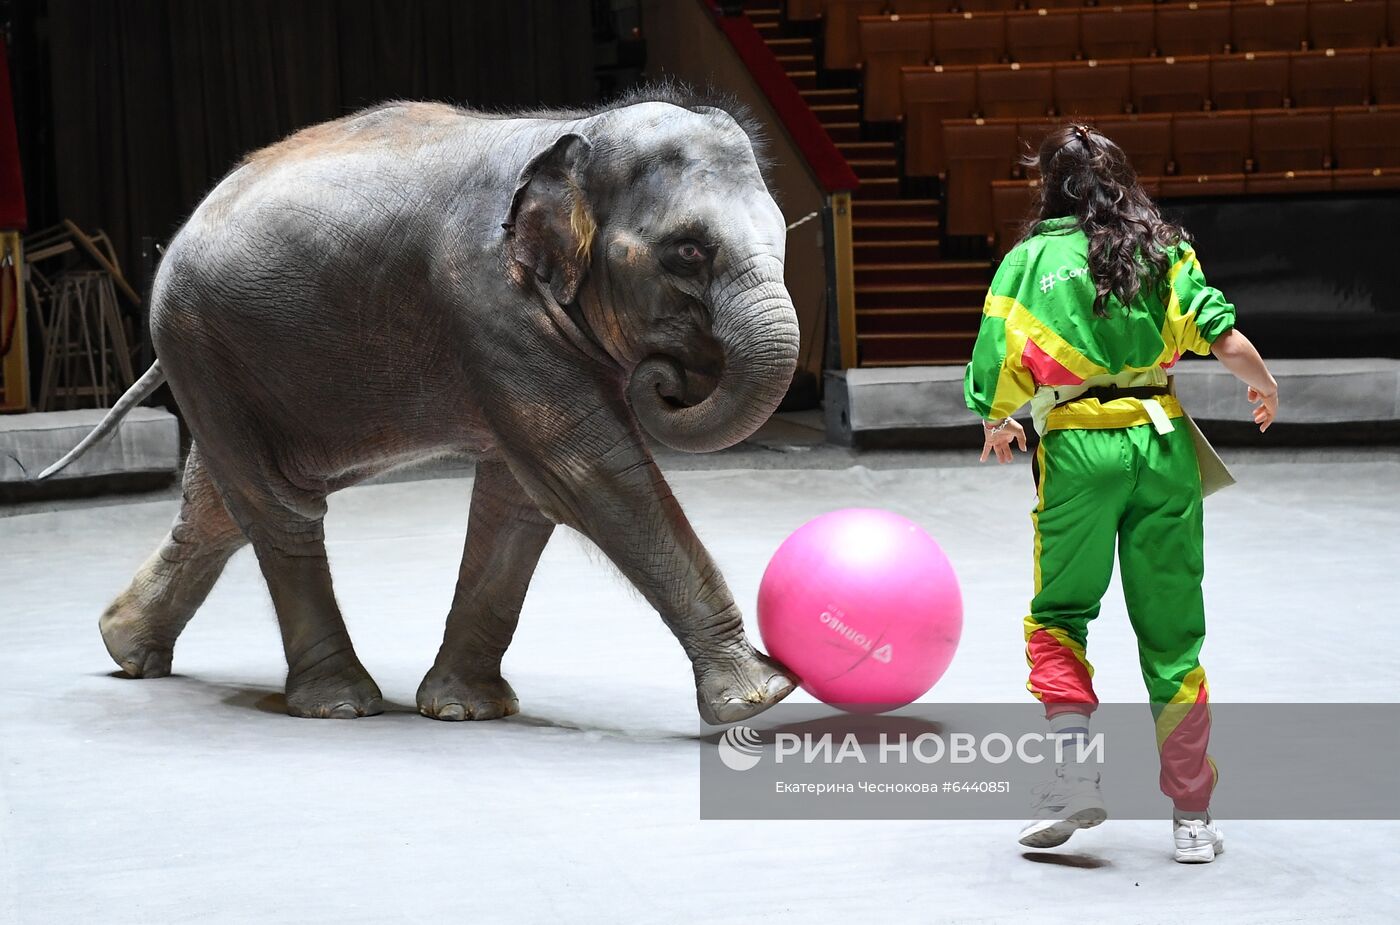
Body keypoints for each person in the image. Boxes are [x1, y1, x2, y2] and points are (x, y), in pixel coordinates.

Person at [963, 124, 1279, 863]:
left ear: (1050, 187)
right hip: (1163, 443)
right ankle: (1193, 820)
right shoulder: (1167, 248)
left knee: (1060, 617)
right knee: (1173, 640)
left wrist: (998, 419)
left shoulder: (1028, 260)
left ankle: (1072, 778)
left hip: (1077, 448)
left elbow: (994, 365)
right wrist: (1263, 385)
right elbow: (1224, 337)